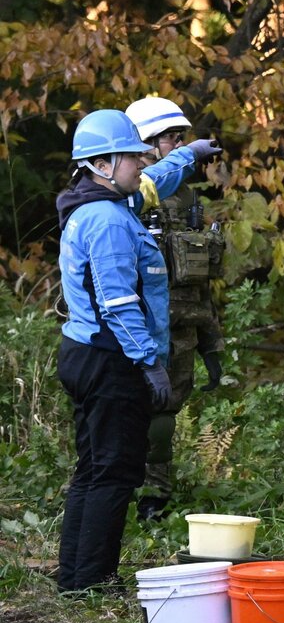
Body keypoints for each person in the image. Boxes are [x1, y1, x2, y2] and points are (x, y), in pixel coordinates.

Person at [55, 110, 172, 592]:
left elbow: (157, 177)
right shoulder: (106, 220)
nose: (142, 165)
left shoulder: (99, 206)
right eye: (133, 158)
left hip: (87, 353)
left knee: (95, 468)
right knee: (116, 471)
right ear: (103, 164)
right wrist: (149, 362)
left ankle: (75, 576)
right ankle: (93, 580)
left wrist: (185, 155)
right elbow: (118, 300)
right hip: (111, 359)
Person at [124, 96, 226, 520]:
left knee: (164, 416)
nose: (179, 145)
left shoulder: (185, 199)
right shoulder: (132, 193)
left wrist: (211, 344)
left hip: (183, 327)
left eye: (182, 138)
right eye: (171, 137)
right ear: (146, 142)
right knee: (135, 416)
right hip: (137, 328)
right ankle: (122, 491)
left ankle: (154, 497)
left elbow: (198, 278)